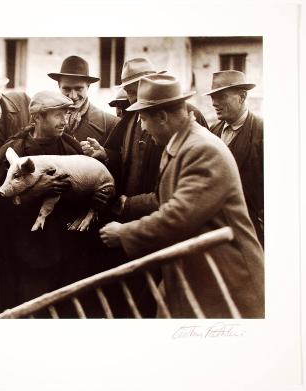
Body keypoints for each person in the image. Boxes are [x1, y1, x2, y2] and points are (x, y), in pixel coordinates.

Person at [99, 74, 264, 318]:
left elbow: (179, 215)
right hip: (200, 276)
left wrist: (125, 233)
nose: (142, 127)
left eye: (143, 119)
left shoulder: (202, 149)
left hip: (229, 282)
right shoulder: (181, 146)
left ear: (162, 117)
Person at [0, 91, 101, 318]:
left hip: (67, 253)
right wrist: (37, 191)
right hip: (27, 255)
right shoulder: (15, 151)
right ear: (37, 118)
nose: (65, 121)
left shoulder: (71, 147)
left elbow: (87, 188)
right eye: (58, 115)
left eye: (67, 114)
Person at [82, 57, 208, 222]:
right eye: (128, 92)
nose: (131, 99)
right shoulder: (131, 116)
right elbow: (125, 159)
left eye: (135, 91)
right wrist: (105, 154)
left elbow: (185, 190)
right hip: (129, 213)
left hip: (162, 214)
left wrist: (136, 204)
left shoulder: (185, 115)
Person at [204, 70, 264, 247]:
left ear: (242, 96)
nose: (214, 103)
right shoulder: (212, 132)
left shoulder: (263, 133)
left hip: (250, 233)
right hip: (217, 234)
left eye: (221, 96)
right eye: (212, 97)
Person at [48, 55, 119, 143]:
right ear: (59, 86)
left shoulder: (111, 124)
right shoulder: (43, 120)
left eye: (78, 88)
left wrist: (104, 154)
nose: (73, 96)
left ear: (88, 86)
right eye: (67, 89)